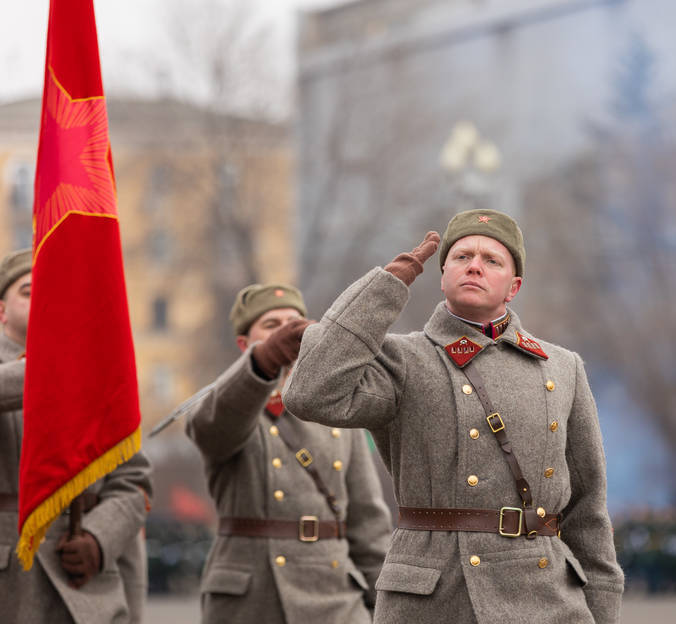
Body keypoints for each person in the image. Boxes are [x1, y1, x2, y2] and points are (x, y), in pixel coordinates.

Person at [283, 209, 625, 623]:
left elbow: (588, 510)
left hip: (544, 596)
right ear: (443, 274)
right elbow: (309, 394)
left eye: (492, 260)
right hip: (433, 596)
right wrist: (386, 286)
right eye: (462, 257)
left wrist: (604, 611)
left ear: (513, 286)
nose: (475, 265)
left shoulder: (561, 366)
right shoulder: (403, 359)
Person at [184, 282, 392, 624]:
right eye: (270, 326)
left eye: (294, 322)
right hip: (252, 600)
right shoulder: (225, 405)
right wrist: (262, 363)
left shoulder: (335, 409)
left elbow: (367, 523)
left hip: (334, 599)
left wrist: (382, 604)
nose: (286, 333)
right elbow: (212, 429)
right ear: (243, 344)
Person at [0, 248, 153, 624]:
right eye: (29, 290)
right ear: (1, 311)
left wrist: (100, 538)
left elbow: (133, 482)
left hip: (87, 593)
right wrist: (63, 364)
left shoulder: (100, 376)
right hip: (12, 589)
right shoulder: (86, 367)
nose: (45, 298)